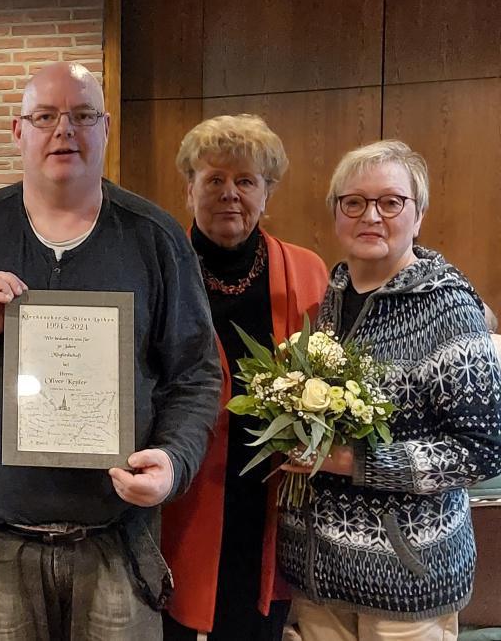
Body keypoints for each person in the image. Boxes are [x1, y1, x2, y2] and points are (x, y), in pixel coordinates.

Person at [0, 62, 222, 640]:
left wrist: (174, 460)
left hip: (119, 537)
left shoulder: (155, 235)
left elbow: (196, 375)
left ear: (106, 127)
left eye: (82, 116)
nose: (63, 131)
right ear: (18, 131)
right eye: (45, 117)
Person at [281, 140, 501, 640]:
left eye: (391, 202)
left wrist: (356, 461)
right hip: (320, 579)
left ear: (418, 214)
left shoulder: (449, 309)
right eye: (353, 202)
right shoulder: (332, 301)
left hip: (406, 587)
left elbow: (481, 452)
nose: (371, 216)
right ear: (337, 214)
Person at [160, 115, 327, 641]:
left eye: (246, 181)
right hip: (182, 489)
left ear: (266, 191)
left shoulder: (308, 271)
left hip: (272, 492)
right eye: (214, 180)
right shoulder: (160, 266)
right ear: (189, 190)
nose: (230, 194)